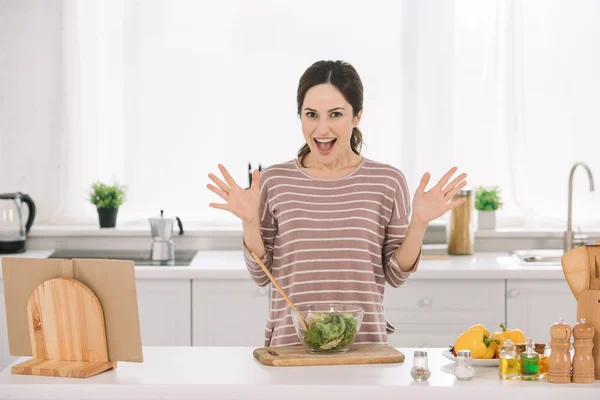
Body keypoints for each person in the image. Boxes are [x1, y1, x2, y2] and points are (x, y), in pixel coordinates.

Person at [207, 60, 467, 347]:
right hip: (291, 346)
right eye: (311, 115)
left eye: (335, 114)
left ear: (357, 117)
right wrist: (249, 223)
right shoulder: (274, 180)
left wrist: (419, 224)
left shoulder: (387, 181)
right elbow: (260, 274)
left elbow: (395, 275)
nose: (322, 128)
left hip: (364, 344)